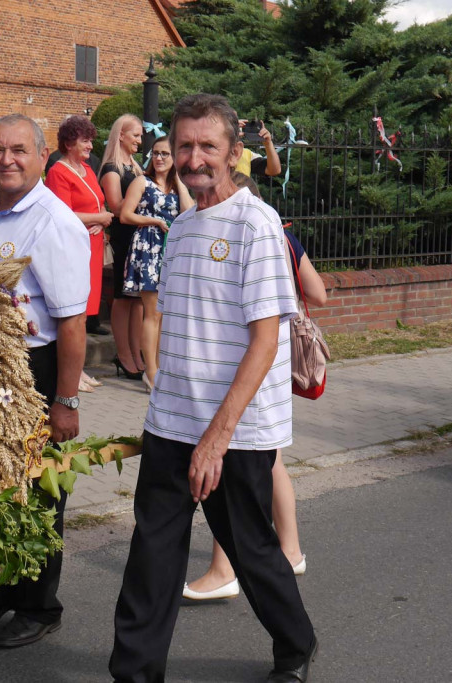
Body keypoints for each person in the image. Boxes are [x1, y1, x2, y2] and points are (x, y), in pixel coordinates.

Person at [109, 93, 317, 683]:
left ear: (232, 153)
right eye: (184, 145)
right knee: (152, 553)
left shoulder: (257, 223)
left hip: (238, 431)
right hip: (172, 421)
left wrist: (216, 439)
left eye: (208, 145)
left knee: (250, 549)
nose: (194, 157)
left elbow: (266, 341)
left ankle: (296, 644)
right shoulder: (180, 228)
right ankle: (134, 672)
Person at [0, 114, 89, 648]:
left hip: (36, 369)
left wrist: (66, 400)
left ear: (41, 157)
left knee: (36, 490)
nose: (6, 160)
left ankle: (39, 604)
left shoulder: (54, 222)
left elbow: (72, 322)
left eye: (18, 150)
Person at [183, 210, 327, 601]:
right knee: (271, 458)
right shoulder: (283, 237)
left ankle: (223, 569)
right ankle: (291, 551)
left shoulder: (243, 238)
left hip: (248, 361)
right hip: (273, 366)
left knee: (232, 460)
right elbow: (318, 294)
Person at [44, 115, 114, 392]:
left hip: (92, 247)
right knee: (74, 313)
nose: (90, 146)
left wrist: (101, 219)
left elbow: (98, 203)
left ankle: (79, 369)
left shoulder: (86, 169)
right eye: (85, 141)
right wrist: (99, 218)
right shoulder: (58, 172)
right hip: (73, 249)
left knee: (84, 313)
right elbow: (61, 214)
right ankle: (70, 374)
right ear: (69, 143)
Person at [119, 136, 193, 389]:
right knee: (152, 313)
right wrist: (154, 221)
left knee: (164, 314)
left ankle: (160, 369)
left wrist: (180, 179)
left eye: (165, 154)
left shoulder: (177, 186)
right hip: (148, 247)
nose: (159, 158)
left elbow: (189, 212)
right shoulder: (142, 181)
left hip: (170, 249)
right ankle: (150, 372)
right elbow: (125, 215)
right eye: (156, 153)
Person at [100, 114, 145, 379]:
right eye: (135, 135)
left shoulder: (135, 167)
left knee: (138, 299)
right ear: (121, 136)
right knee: (122, 296)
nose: (139, 140)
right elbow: (116, 206)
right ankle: (124, 354)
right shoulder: (112, 168)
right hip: (124, 237)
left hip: (140, 237)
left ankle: (136, 352)